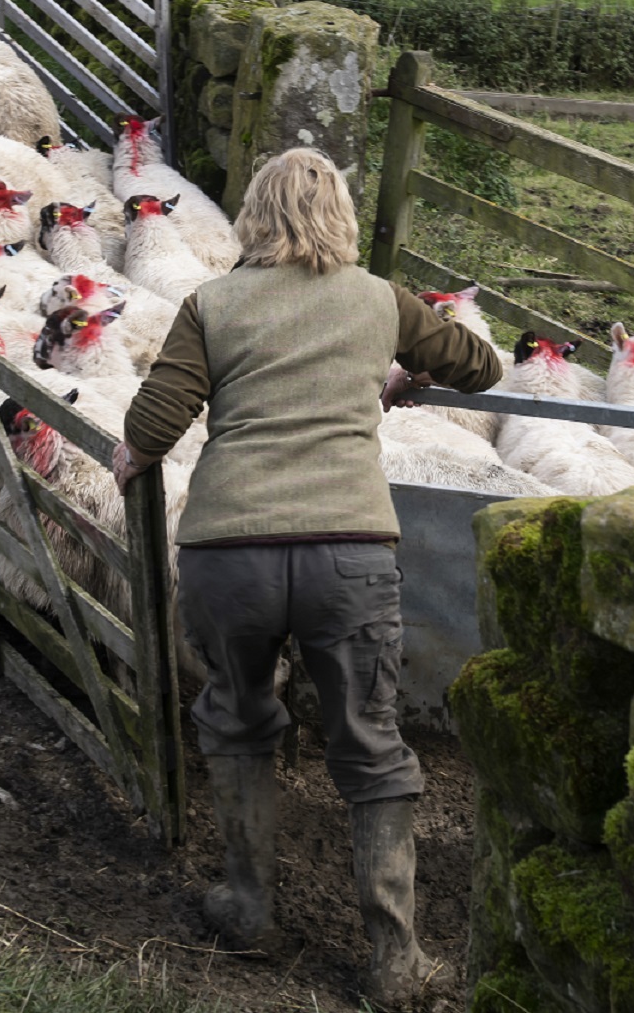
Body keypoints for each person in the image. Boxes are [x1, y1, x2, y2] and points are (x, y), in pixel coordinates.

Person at [111, 147, 501, 1005]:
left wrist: (133, 455)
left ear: (252, 212)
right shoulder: (379, 300)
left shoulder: (211, 303)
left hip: (229, 549)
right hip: (349, 551)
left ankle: (249, 907)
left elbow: (158, 416)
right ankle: (396, 957)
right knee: (370, 741)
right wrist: (401, 375)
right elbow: (485, 367)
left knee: (238, 714)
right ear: (341, 216)